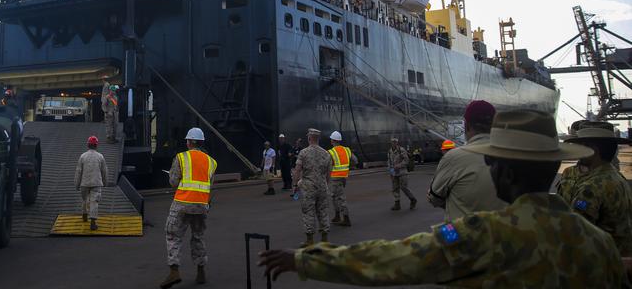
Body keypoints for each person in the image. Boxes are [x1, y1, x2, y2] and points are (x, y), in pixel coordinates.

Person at [258, 109, 625, 287]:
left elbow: (395, 259)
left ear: (508, 173)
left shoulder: (485, 233)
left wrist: (305, 261)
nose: (491, 169)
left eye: (493, 163)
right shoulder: (599, 242)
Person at [559, 120, 632, 255]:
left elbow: (575, 233)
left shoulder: (591, 187)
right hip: (617, 259)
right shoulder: (616, 178)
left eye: (583, 146)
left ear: (593, 151)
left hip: (598, 261)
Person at [427, 100, 505, 221]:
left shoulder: (453, 157)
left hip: (465, 237)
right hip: (505, 235)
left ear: (466, 125)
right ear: (495, 125)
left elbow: (434, 198)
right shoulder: (514, 156)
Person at [161, 127, 217, 288]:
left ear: (190, 142)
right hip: (201, 205)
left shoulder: (181, 157)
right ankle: (201, 272)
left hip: (182, 203)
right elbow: (210, 187)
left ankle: (174, 272)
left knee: (173, 235)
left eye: (187, 140)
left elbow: (173, 181)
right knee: (198, 236)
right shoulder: (211, 162)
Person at [293, 128, 332, 246]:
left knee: (308, 212)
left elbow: (297, 170)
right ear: (318, 139)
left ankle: (310, 240)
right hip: (322, 187)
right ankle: (325, 239)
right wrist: (324, 184)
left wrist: (295, 185)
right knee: (323, 211)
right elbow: (329, 173)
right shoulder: (326, 153)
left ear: (309, 138)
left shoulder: (303, 152)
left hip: (308, 187)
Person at [74, 135, 108, 231]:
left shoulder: (82, 156)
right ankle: (93, 223)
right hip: (96, 183)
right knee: (94, 202)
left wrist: (77, 184)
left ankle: (84, 215)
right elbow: (104, 171)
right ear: (96, 145)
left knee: (85, 199)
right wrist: (105, 182)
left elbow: (78, 171)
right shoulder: (100, 156)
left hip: (84, 183)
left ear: (88, 145)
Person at [327, 131, 357, 227]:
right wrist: (348, 167)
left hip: (335, 177)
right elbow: (355, 160)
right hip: (343, 177)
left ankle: (345, 218)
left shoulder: (331, 152)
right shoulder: (347, 150)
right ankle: (338, 216)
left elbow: (327, 165)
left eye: (331, 139)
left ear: (334, 140)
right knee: (336, 197)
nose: (330, 140)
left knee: (338, 198)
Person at [387, 137, 416, 210]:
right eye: (392, 142)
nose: (394, 143)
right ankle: (397, 204)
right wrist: (390, 170)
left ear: (397, 142)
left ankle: (413, 199)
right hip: (394, 173)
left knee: (404, 187)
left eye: (395, 142)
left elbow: (406, 160)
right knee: (395, 188)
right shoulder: (390, 151)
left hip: (402, 172)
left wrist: (398, 166)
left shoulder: (401, 150)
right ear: (391, 142)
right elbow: (389, 161)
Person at [101, 79, 119, 143]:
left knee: (115, 125)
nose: (113, 91)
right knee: (109, 125)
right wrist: (106, 112)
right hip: (109, 113)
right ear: (110, 90)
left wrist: (116, 111)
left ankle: (114, 137)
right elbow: (103, 105)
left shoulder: (115, 97)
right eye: (112, 90)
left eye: (114, 90)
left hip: (115, 113)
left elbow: (116, 105)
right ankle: (109, 138)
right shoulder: (107, 97)